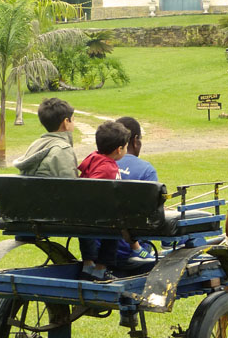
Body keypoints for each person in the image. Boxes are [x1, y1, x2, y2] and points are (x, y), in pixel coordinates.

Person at [77, 120, 130, 280]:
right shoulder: (109, 167)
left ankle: (88, 264)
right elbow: (96, 189)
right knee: (115, 227)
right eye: (126, 147)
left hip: (81, 215)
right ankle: (101, 268)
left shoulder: (93, 158)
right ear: (119, 149)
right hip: (97, 216)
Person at [115, 116, 159, 263]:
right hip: (132, 250)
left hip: (99, 248)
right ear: (135, 140)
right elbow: (153, 215)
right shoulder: (146, 170)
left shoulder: (98, 166)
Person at [12, 97, 78, 177]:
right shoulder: (63, 149)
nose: (74, 123)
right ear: (66, 122)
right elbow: (70, 185)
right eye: (73, 119)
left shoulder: (36, 145)